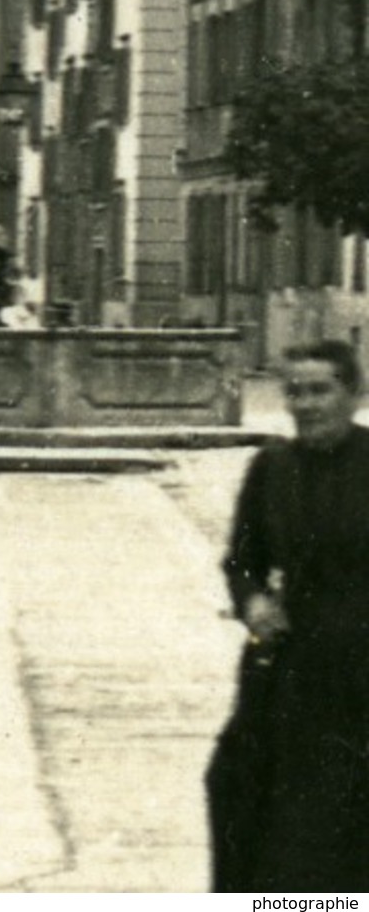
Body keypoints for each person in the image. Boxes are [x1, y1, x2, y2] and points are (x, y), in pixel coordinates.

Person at [206, 339, 369, 892]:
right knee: (236, 790)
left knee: (334, 825)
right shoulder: (272, 468)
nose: (306, 404)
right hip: (285, 669)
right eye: (295, 392)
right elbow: (241, 561)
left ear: (355, 394)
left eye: (321, 390)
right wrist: (252, 603)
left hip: (358, 678)